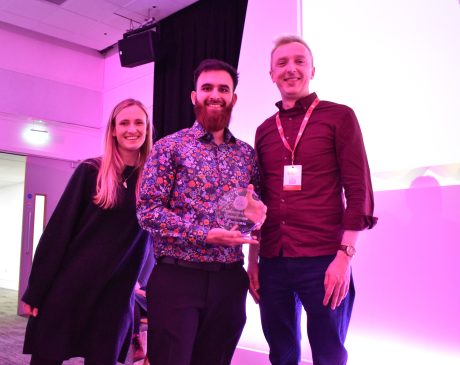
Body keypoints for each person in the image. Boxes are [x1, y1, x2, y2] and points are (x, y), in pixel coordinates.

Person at [248, 35, 377, 365]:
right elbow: (257, 202)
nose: (291, 69)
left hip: (324, 259)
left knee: (329, 354)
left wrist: (344, 257)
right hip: (273, 261)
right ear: (271, 75)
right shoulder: (264, 131)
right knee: (281, 353)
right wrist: (253, 262)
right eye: (282, 63)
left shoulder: (339, 117)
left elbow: (358, 189)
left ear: (312, 70)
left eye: (299, 61)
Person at [137, 58, 266, 365]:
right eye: (207, 87)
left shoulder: (246, 155)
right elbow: (148, 211)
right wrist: (205, 235)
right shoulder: (169, 147)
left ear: (233, 98)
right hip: (177, 277)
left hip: (229, 281)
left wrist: (253, 215)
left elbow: (243, 220)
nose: (215, 94)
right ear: (194, 96)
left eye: (224, 89)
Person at [22, 98, 154, 365]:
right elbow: (58, 232)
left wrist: (146, 282)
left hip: (116, 294)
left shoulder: (153, 181)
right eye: (124, 122)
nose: (132, 129)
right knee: (48, 355)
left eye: (139, 122)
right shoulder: (91, 171)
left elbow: (154, 239)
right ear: (114, 130)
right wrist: (35, 290)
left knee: (103, 358)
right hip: (72, 284)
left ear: (147, 129)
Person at [131, 247, 155, 362]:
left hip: (149, 299)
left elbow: (139, 283)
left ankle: (135, 340)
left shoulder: (150, 250)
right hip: (134, 295)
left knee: (130, 298)